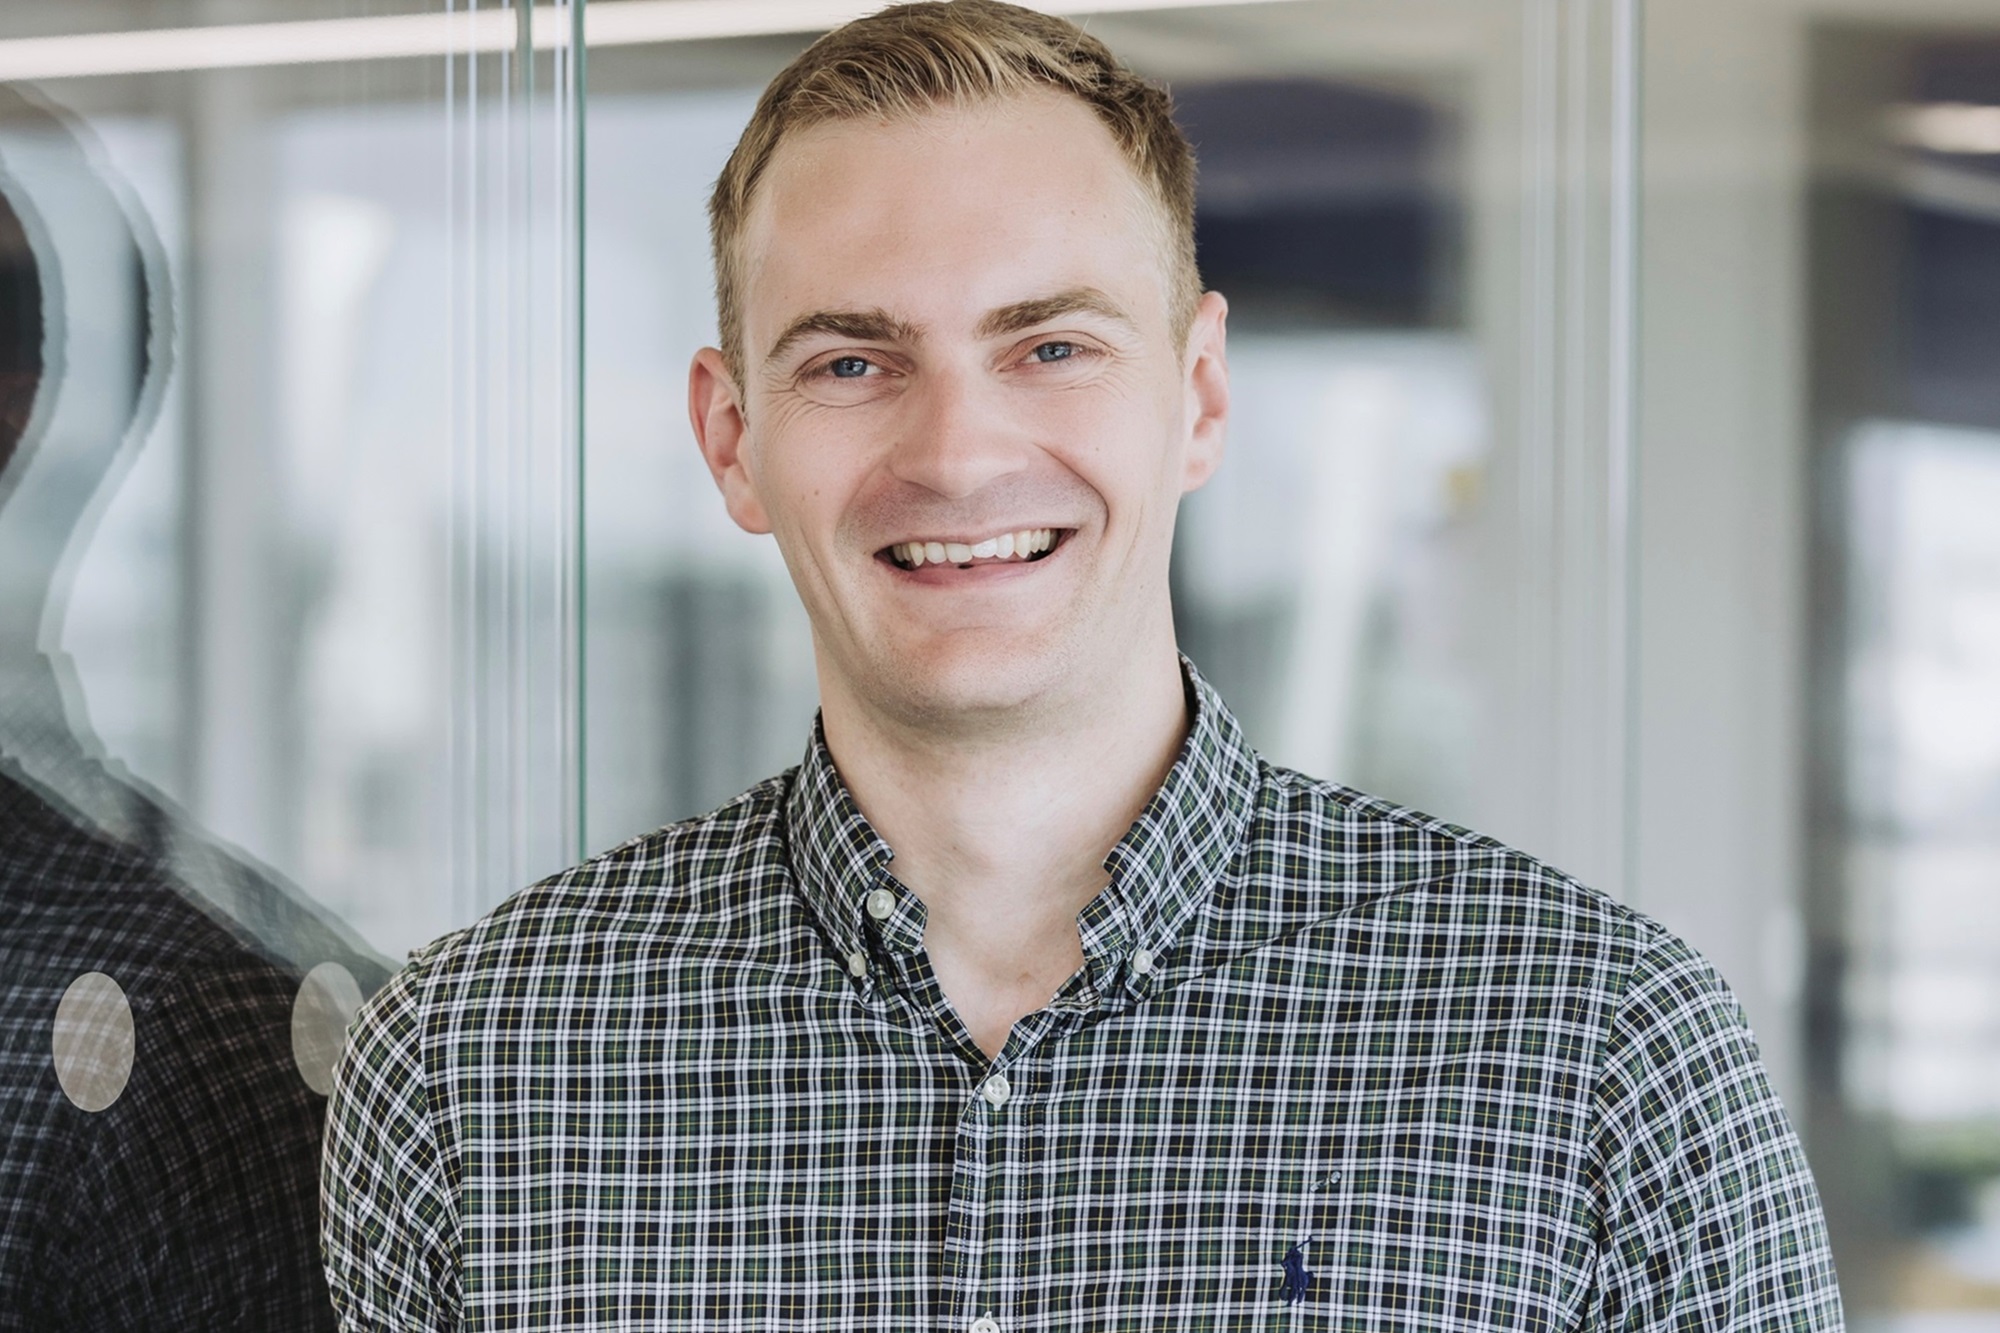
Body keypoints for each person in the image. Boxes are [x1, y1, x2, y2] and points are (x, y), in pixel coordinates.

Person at [321, 3, 1844, 1328]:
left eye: (1049, 346)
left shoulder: (1596, 1050)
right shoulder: (477, 1064)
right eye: (853, 362)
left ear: (1196, 395)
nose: (959, 451)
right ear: (733, 439)